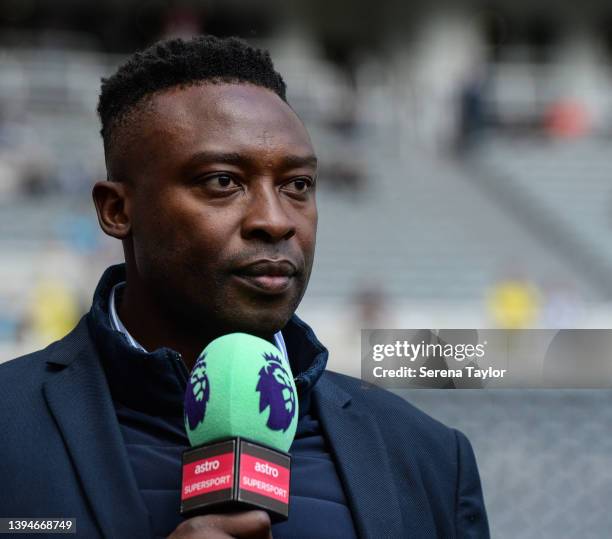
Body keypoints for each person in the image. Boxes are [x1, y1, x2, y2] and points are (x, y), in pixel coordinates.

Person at [0, 36, 489, 538]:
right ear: (117, 210)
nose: (275, 221)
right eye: (222, 181)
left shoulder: (429, 459)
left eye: (296, 185)